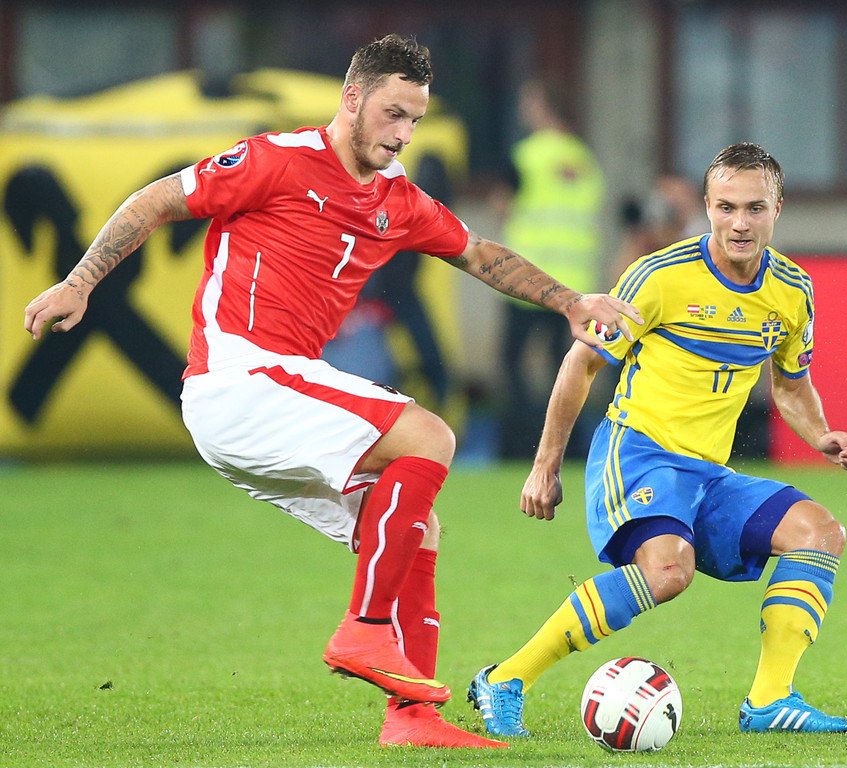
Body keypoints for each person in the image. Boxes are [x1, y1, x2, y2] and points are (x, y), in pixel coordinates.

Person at [23, 34, 641, 750]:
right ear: (352, 98)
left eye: (415, 119)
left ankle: (411, 720)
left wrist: (568, 301)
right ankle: (365, 628)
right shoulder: (276, 159)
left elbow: (477, 252)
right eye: (392, 113)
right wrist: (79, 282)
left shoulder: (396, 198)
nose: (403, 133)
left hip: (272, 398)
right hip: (238, 379)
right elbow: (157, 199)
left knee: (416, 527)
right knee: (430, 437)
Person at [467, 142, 847, 737]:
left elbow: (790, 385)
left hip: (709, 473)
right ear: (706, 206)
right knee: (668, 572)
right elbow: (581, 363)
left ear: (777, 208)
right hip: (639, 452)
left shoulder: (792, 290)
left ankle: (769, 701)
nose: (739, 223)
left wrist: (822, 434)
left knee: (820, 533)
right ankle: (504, 680)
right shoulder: (660, 276)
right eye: (726, 207)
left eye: (755, 208)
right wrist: (545, 466)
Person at [494, 78, 607, 458]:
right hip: (576, 284)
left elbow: (502, 206)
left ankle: (521, 441)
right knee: (570, 365)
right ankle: (570, 445)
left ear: (542, 106)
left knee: (512, 362)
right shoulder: (585, 159)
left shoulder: (526, 155)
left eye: (529, 102)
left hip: (529, 280)